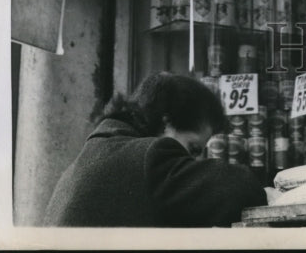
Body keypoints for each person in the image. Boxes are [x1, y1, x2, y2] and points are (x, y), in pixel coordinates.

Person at [43, 71, 266, 228]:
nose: (191, 160)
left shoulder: (94, 154)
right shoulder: (151, 156)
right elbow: (240, 188)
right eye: (193, 148)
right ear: (166, 123)